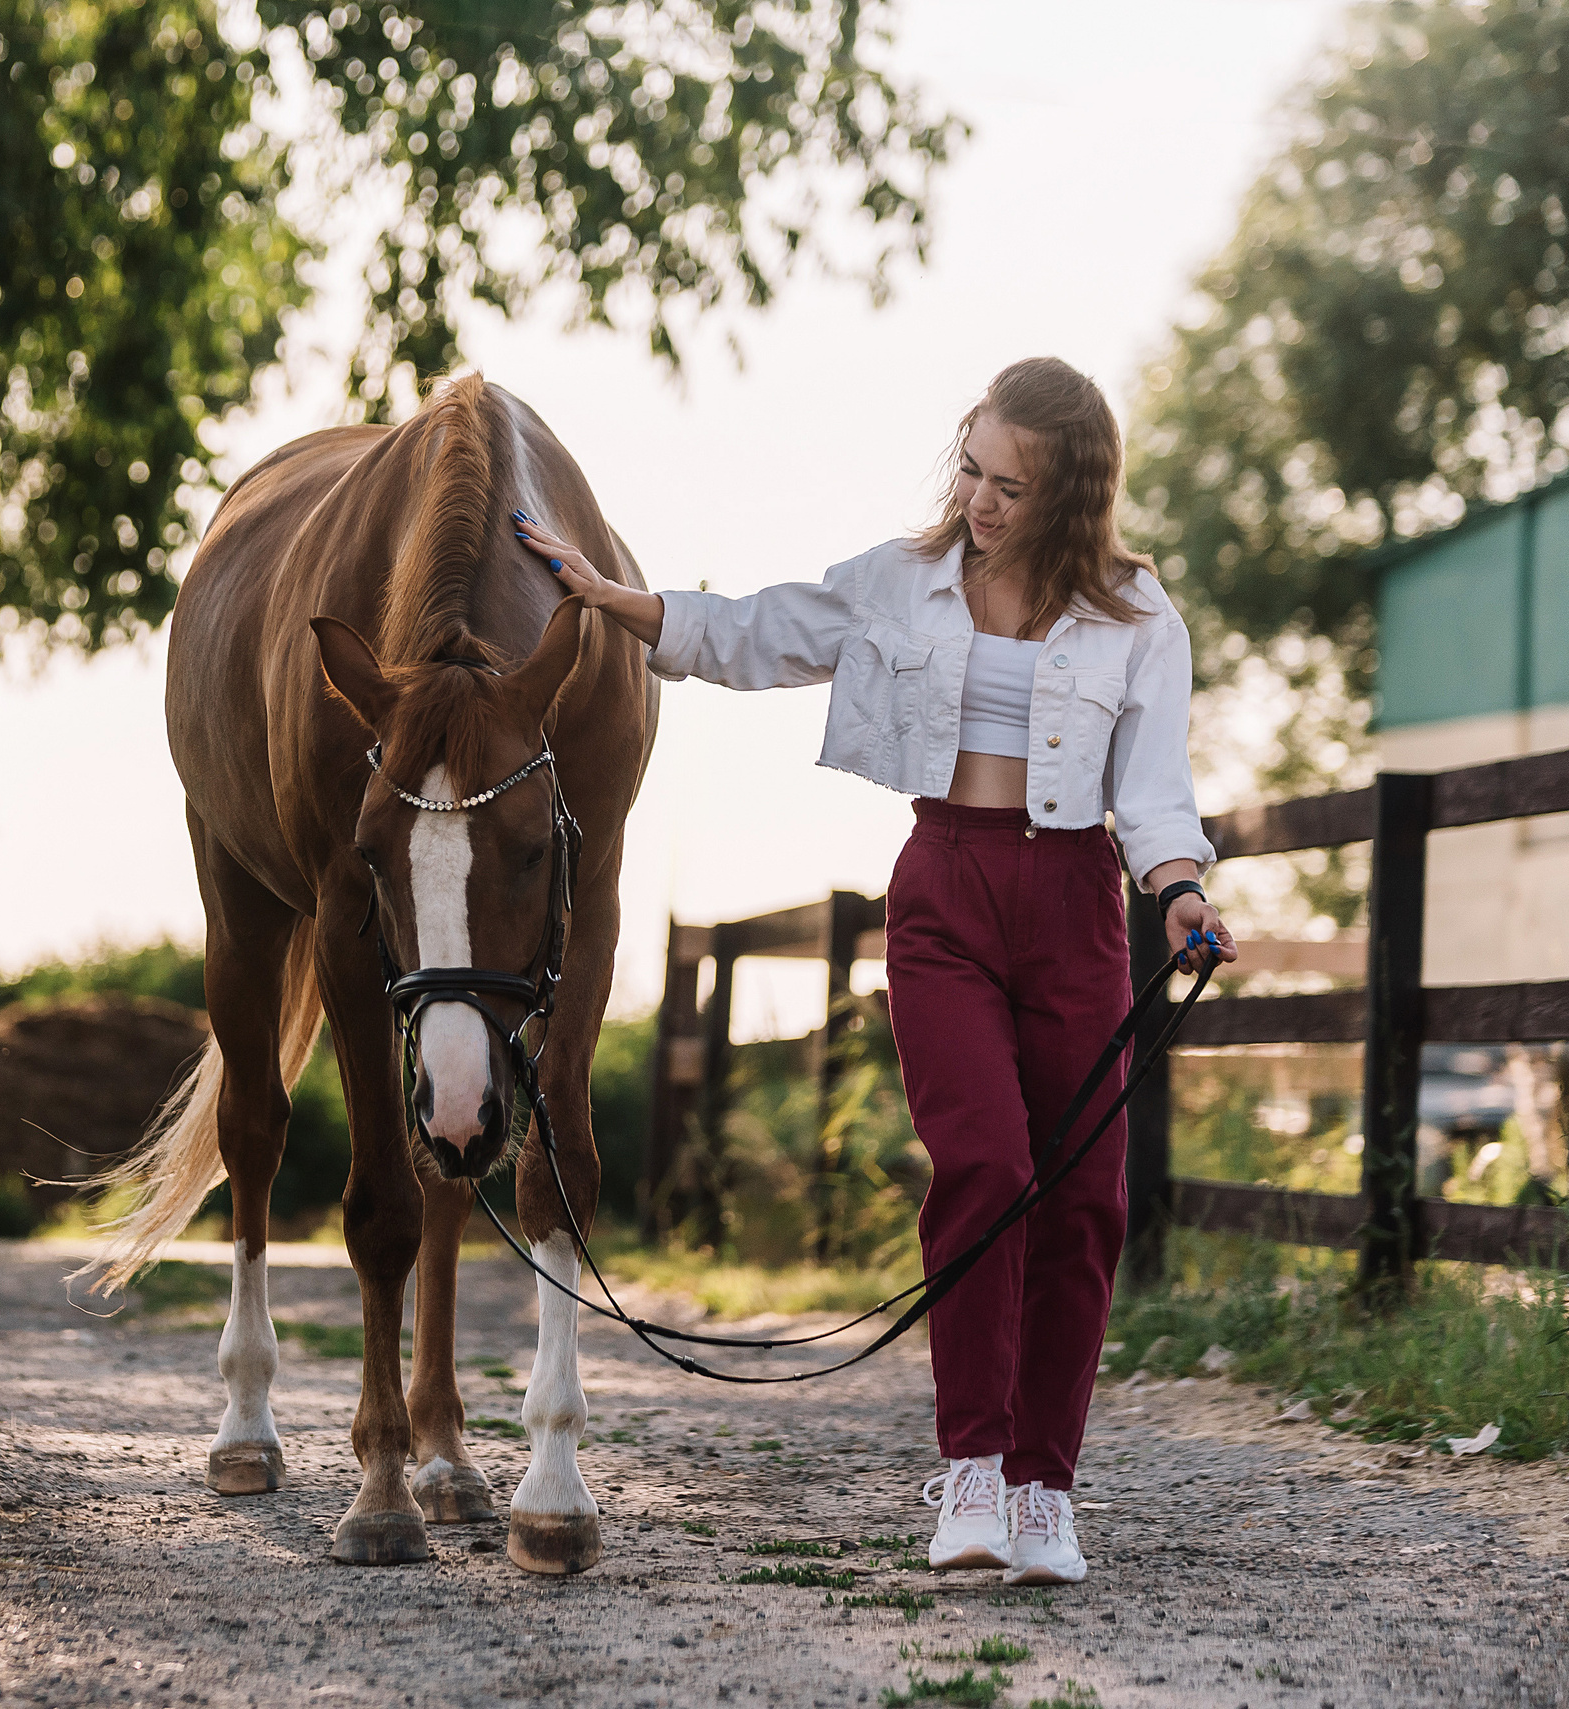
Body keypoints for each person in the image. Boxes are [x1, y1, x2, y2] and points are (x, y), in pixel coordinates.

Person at [513, 356, 1236, 1586]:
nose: (983, 501)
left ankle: (1043, 1489)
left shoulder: (1136, 616)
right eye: (973, 467)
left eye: (1013, 484)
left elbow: (1154, 798)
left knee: (1083, 1202)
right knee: (986, 1165)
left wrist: (1180, 894)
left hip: (1073, 908)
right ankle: (969, 1470)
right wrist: (608, 596)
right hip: (944, 891)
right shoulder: (900, 583)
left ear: (1071, 494)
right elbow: (750, 632)